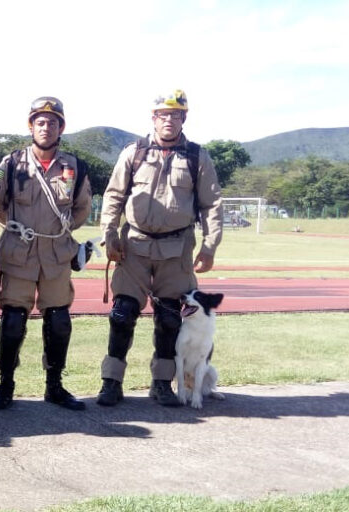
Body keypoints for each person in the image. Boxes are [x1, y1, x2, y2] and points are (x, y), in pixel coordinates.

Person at [96, 89, 223, 407]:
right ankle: (111, 382)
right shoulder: (134, 152)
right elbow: (113, 196)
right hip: (134, 246)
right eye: (163, 114)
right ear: (153, 118)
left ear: (184, 118)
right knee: (122, 314)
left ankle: (162, 384)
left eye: (176, 114)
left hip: (177, 249)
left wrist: (209, 246)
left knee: (170, 319)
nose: (169, 120)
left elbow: (212, 205)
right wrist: (109, 235)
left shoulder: (197, 157)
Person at [0, 97, 91, 412]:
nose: (46, 127)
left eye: (53, 122)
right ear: (31, 126)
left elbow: (82, 207)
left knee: (58, 320)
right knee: (13, 321)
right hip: (20, 253)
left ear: (61, 127)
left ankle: (54, 386)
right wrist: (20, 229)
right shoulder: (12, 163)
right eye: (40, 122)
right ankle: (5, 386)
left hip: (57, 254)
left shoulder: (74, 166)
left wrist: (60, 231)